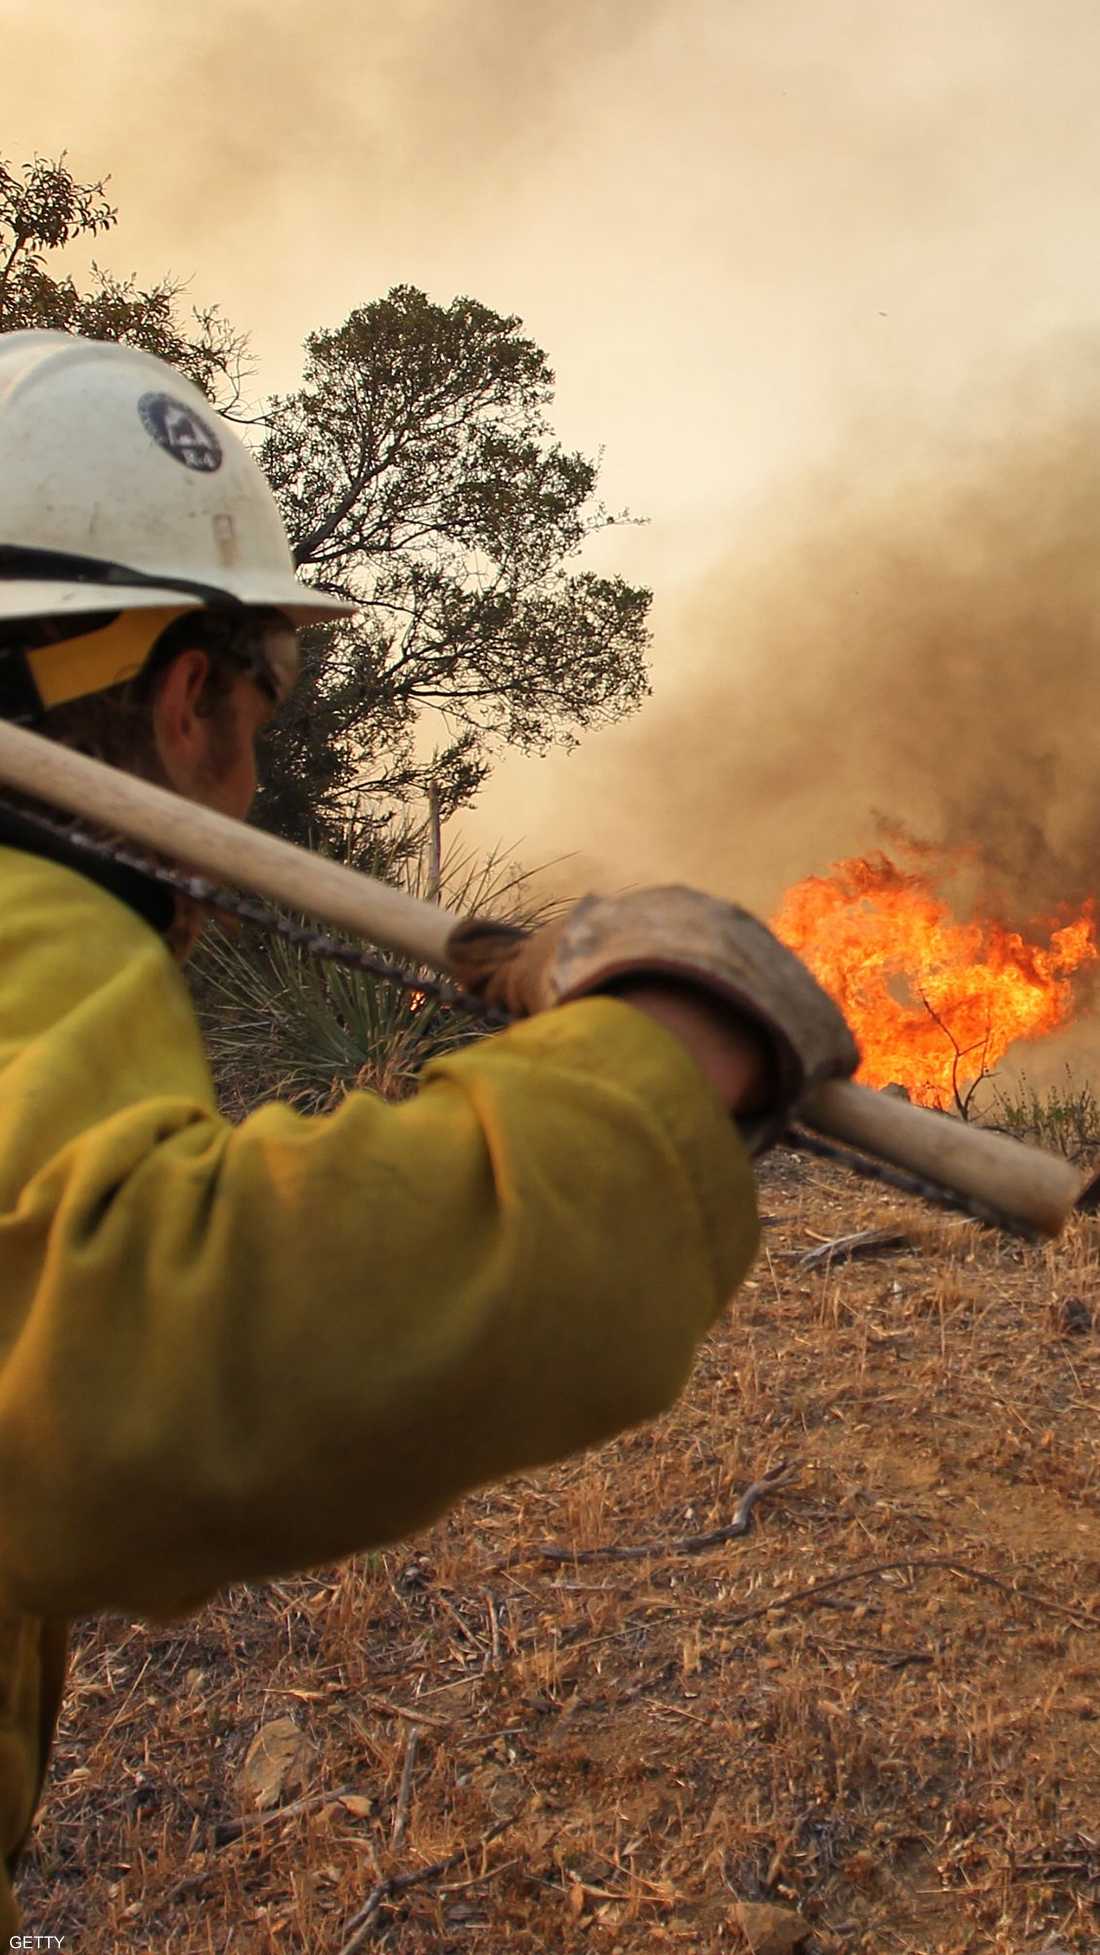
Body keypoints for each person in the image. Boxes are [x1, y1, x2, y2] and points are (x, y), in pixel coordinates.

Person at [0, 330, 858, 1933]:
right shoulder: (22, 917)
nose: (257, 768)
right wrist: (653, 1068)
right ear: (190, 699)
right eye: (267, 693)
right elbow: (127, 1360)